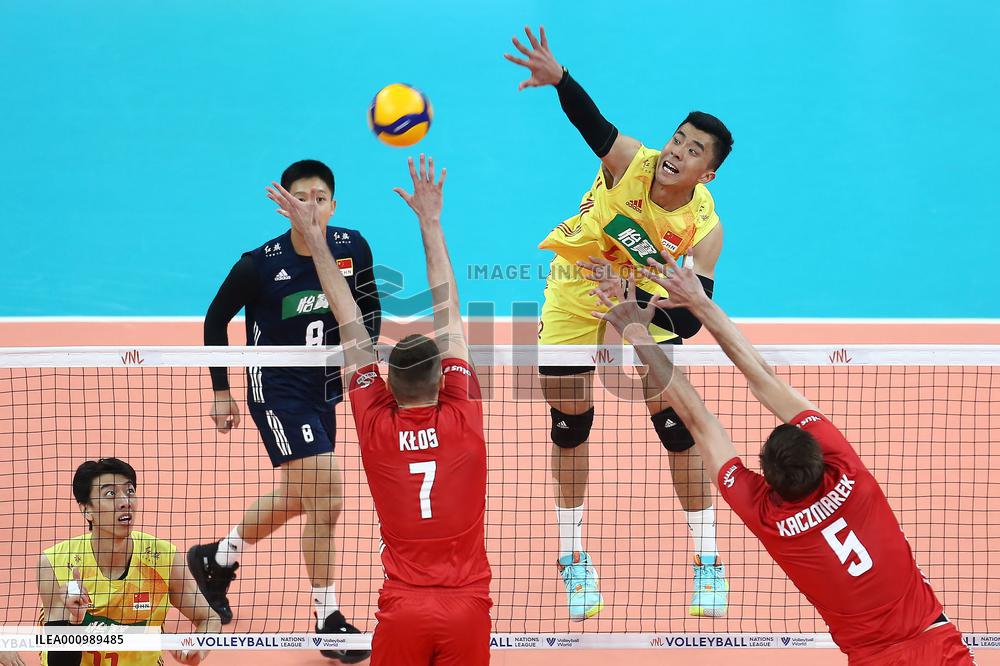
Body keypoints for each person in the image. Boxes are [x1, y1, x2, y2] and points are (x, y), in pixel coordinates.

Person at [585, 252, 976, 665]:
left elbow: (697, 419)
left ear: (767, 481)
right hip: (940, 646)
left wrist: (634, 330)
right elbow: (763, 378)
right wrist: (700, 302)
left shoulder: (766, 514)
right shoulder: (847, 472)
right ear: (821, 459)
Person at [504, 25, 735, 619]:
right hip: (576, 291)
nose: (676, 152)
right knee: (570, 423)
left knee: (676, 427)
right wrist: (561, 80)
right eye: (678, 139)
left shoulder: (706, 231)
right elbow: (593, 125)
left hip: (645, 303)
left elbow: (692, 321)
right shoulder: (632, 160)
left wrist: (639, 306)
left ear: (707, 174)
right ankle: (572, 555)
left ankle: (708, 560)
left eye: (692, 151)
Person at [266, 154, 492, 665]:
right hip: (468, 609)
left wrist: (314, 238)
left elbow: (347, 317)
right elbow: (449, 313)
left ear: (385, 382)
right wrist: (430, 221)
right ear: (448, 379)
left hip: (403, 610)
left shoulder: (374, 422)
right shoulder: (463, 415)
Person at [188, 159, 379, 663]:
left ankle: (216, 558)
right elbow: (214, 320)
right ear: (283, 204)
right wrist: (220, 391)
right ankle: (327, 618)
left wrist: (363, 362)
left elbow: (370, 307)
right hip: (275, 389)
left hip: (325, 389)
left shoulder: (351, 247)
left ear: (333, 205)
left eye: (319, 197)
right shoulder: (258, 264)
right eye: (300, 197)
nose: (310, 205)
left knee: (301, 496)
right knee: (329, 496)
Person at [37, 458, 221, 666]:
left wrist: (198, 648)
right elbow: (59, 664)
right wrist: (75, 621)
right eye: (110, 494)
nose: (125, 501)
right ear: (87, 510)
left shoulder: (164, 558)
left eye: (130, 491)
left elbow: (209, 619)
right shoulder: (56, 563)